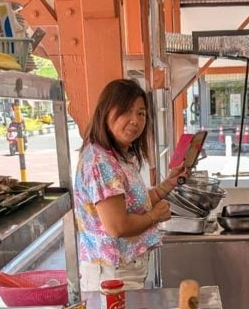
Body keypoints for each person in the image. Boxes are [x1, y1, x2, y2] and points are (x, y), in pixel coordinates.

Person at [74, 78, 187, 292]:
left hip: (124, 269)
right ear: (106, 112)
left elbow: (133, 204)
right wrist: (155, 216)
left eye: (141, 113)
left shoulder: (118, 156)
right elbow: (118, 226)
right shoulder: (100, 162)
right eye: (126, 111)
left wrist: (166, 187)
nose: (135, 120)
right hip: (112, 275)